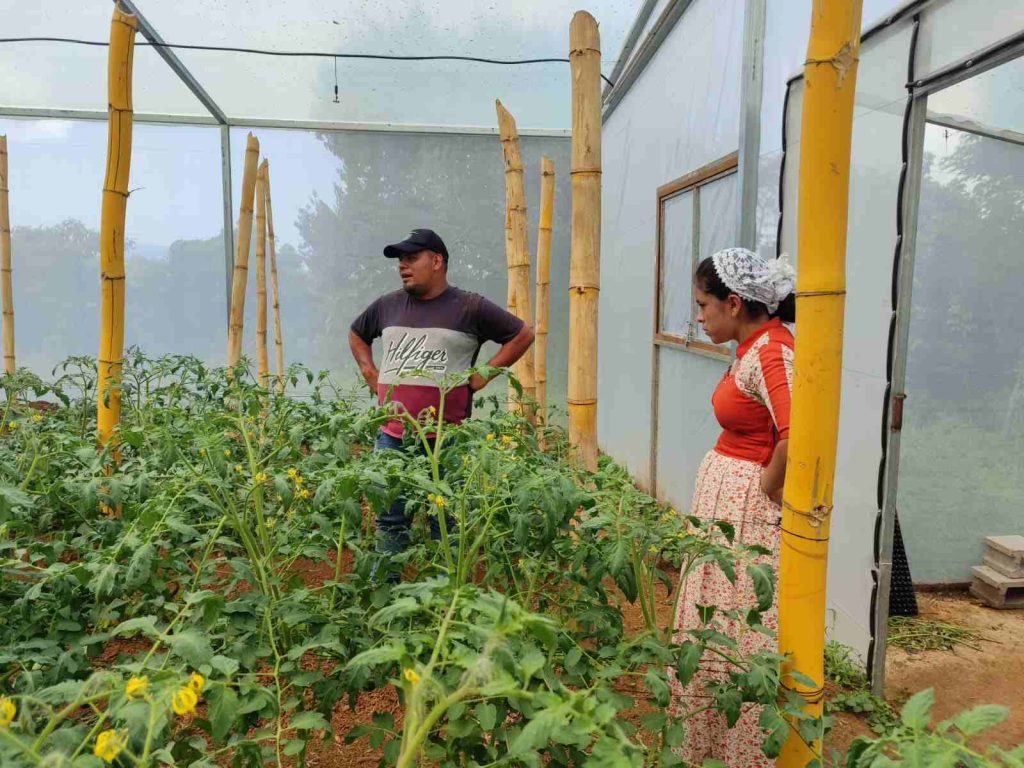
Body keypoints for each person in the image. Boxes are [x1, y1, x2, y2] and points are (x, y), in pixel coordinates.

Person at [668, 247, 796, 768]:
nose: (699, 317)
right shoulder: (753, 346)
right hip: (730, 502)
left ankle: (739, 753)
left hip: (747, 510)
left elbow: (797, 430)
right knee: (716, 622)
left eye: (704, 305)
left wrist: (765, 486)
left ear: (735, 303)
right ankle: (710, 747)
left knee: (737, 631)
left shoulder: (771, 352)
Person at [348, 228, 535, 580]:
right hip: (393, 434)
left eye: (411, 258)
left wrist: (483, 375)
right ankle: (384, 591)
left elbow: (522, 334)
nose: (403, 266)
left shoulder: (469, 307)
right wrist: (369, 371)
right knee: (390, 518)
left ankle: (444, 593)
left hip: (447, 440)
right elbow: (357, 332)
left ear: (437, 261)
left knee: (446, 520)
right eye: (399, 260)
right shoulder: (387, 306)